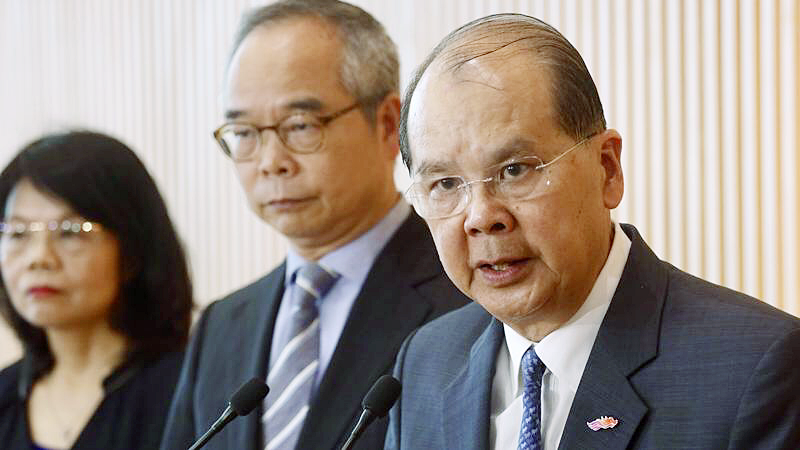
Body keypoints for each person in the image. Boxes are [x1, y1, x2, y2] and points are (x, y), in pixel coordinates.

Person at [386, 13, 800, 450]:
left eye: (514, 170)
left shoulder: (756, 369)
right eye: (446, 184)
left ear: (607, 169)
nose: (481, 217)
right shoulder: (424, 363)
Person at [160, 1, 468, 450]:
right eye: (244, 133)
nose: (270, 163)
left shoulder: (464, 289)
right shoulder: (221, 326)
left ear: (387, 126)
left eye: (300, 126)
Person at [0, 131, 194, 450]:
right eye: (18, 233)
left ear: (132, 251)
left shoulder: (186, 392)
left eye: (71, 232)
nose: (39, 259)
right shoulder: (6, 396)